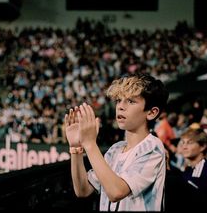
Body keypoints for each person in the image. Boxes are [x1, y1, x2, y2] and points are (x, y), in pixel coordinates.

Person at [65, 73, 169, 211]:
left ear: (151, 112)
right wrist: (76, 148)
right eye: (119, 100)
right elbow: (83, 190)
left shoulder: (153, 147)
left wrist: (90, 144)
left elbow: (116, 192)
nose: (120, 106)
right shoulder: (115, 149)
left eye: (131, 101)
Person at [178, 128, 207, 212]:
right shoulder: (187, 171)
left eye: (189, 143)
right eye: (183, 142)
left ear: (203, 146)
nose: (184, 147)